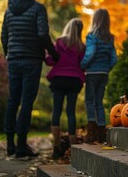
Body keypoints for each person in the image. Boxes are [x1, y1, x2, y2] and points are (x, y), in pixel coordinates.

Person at [1, 0, 59, 158]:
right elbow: (42, 34)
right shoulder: (37, 8)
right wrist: (54, 53)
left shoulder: (9, 10)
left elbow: (4, 35)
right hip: (32, 60)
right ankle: (20, 146)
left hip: (14, 59)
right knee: (26, 102)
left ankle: (10, 144)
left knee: (13, 100)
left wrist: (8, 53)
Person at [45, 18, 85, 159]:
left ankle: (56, 148)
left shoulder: (60, 42)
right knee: (71, 112)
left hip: (59, 80)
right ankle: (73, 149)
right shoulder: (81, 46)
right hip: (74, 81)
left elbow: (51, 60)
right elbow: (82, 64)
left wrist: (45, 56)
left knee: (56, 111)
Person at [80, 8, 117, 143]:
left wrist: (82, 65)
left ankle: (92, 132)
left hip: (92, 73)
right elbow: (114, 58)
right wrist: (107, 69)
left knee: (89, 101)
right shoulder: (110, 38)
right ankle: (101, 132)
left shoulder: (91, 36)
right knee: (99, 102)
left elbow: (90, 53)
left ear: (95, 20)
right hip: (103, 73)